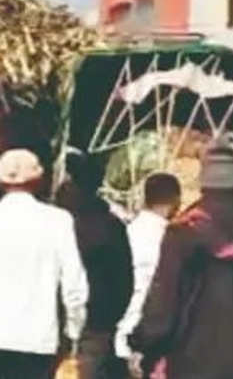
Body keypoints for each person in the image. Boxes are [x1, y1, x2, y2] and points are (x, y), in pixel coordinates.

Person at [130, 132, 233, 379]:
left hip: (197, 363)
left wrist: (142, 342)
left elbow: (163, 304)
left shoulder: (185, 231)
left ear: (205, 179)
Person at [0, 148, 88, 379]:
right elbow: (74, 286)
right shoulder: (59, 221)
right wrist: (74, 330)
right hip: (38, 340)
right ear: (39, 178)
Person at [57, 152, 134, 379]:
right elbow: (125, 282)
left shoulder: (59, 225)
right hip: (97, 324)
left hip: (75, 324)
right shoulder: (110, 227)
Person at [113, 173, 180, 375]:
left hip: (119, 331)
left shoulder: (127, 232)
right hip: (149, 338)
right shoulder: (171, 240)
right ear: (176, 200)